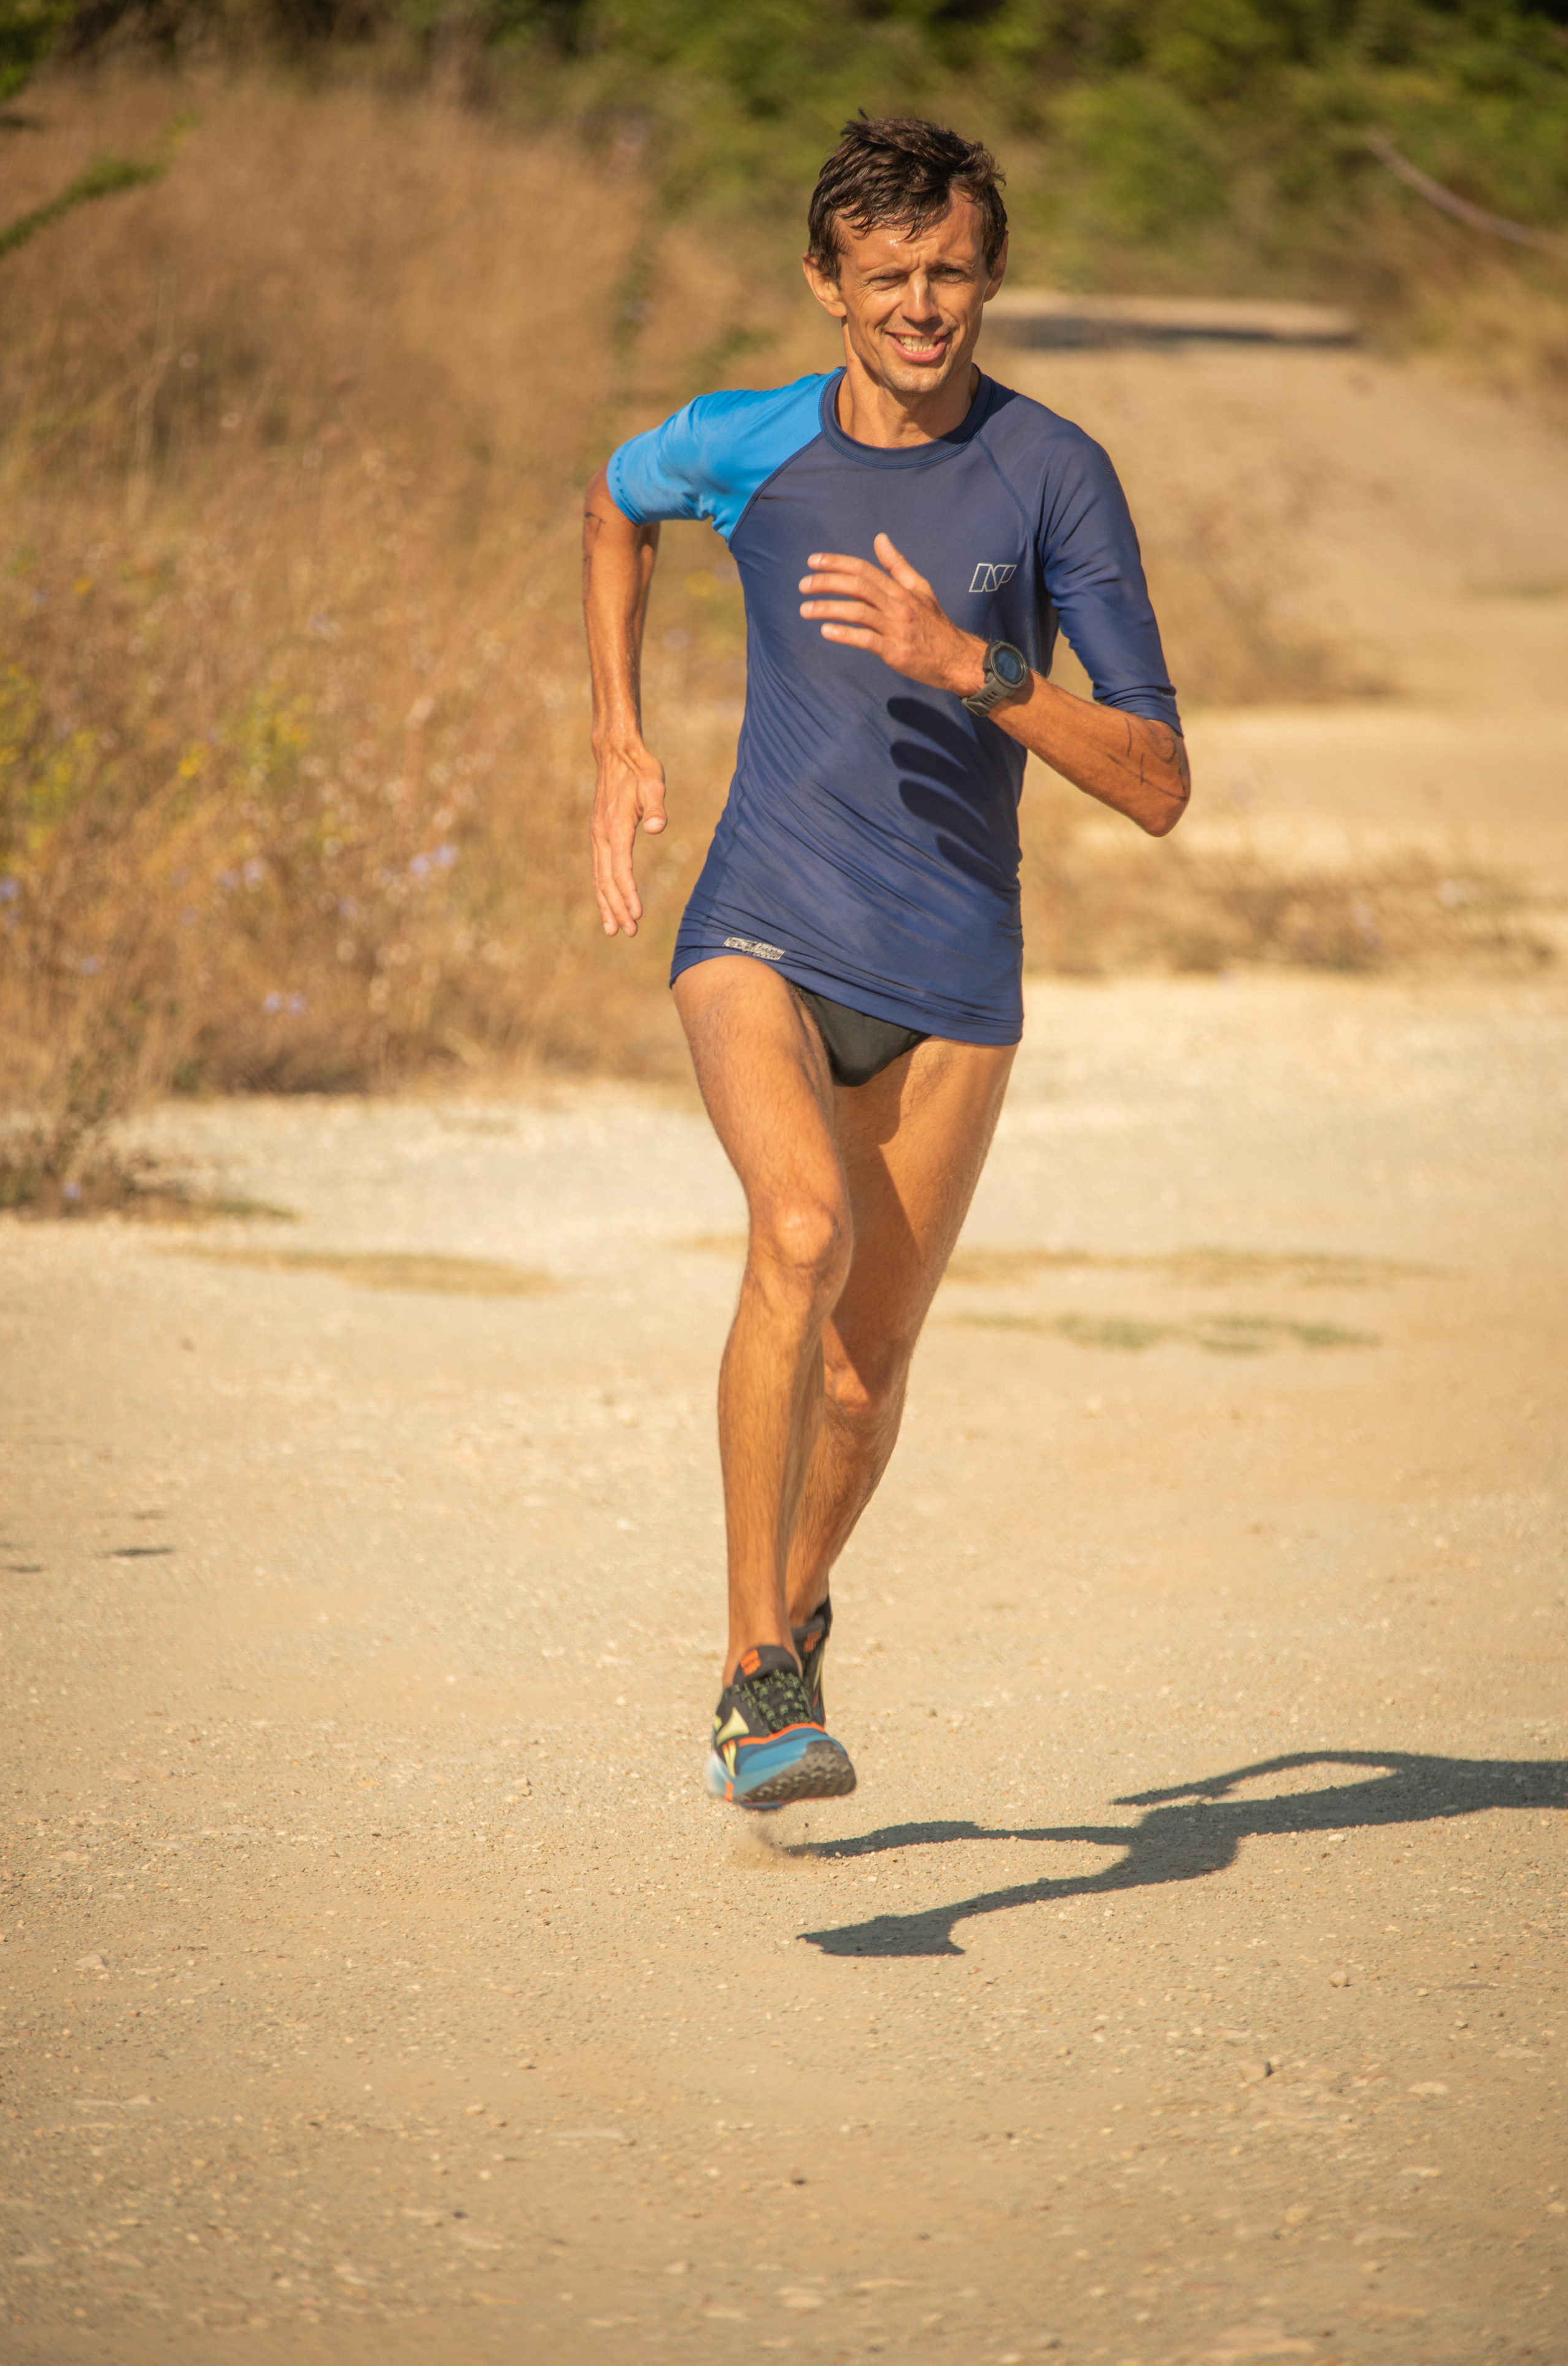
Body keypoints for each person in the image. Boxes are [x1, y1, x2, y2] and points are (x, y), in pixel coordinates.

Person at [582, 114, 1188, 1811]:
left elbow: (1156, 780)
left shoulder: (1053, 472)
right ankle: (751, 1670)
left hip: (951, 972)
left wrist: (977, 665)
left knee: (864, 1373)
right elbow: (613, 506)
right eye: (889, 276)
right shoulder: (748, 442)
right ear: (826, 285)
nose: (925, 304)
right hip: (759, 927)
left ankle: (797, 1611)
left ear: (989, 273)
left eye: (953, 271)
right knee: (797, 1227)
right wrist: (620, 736)